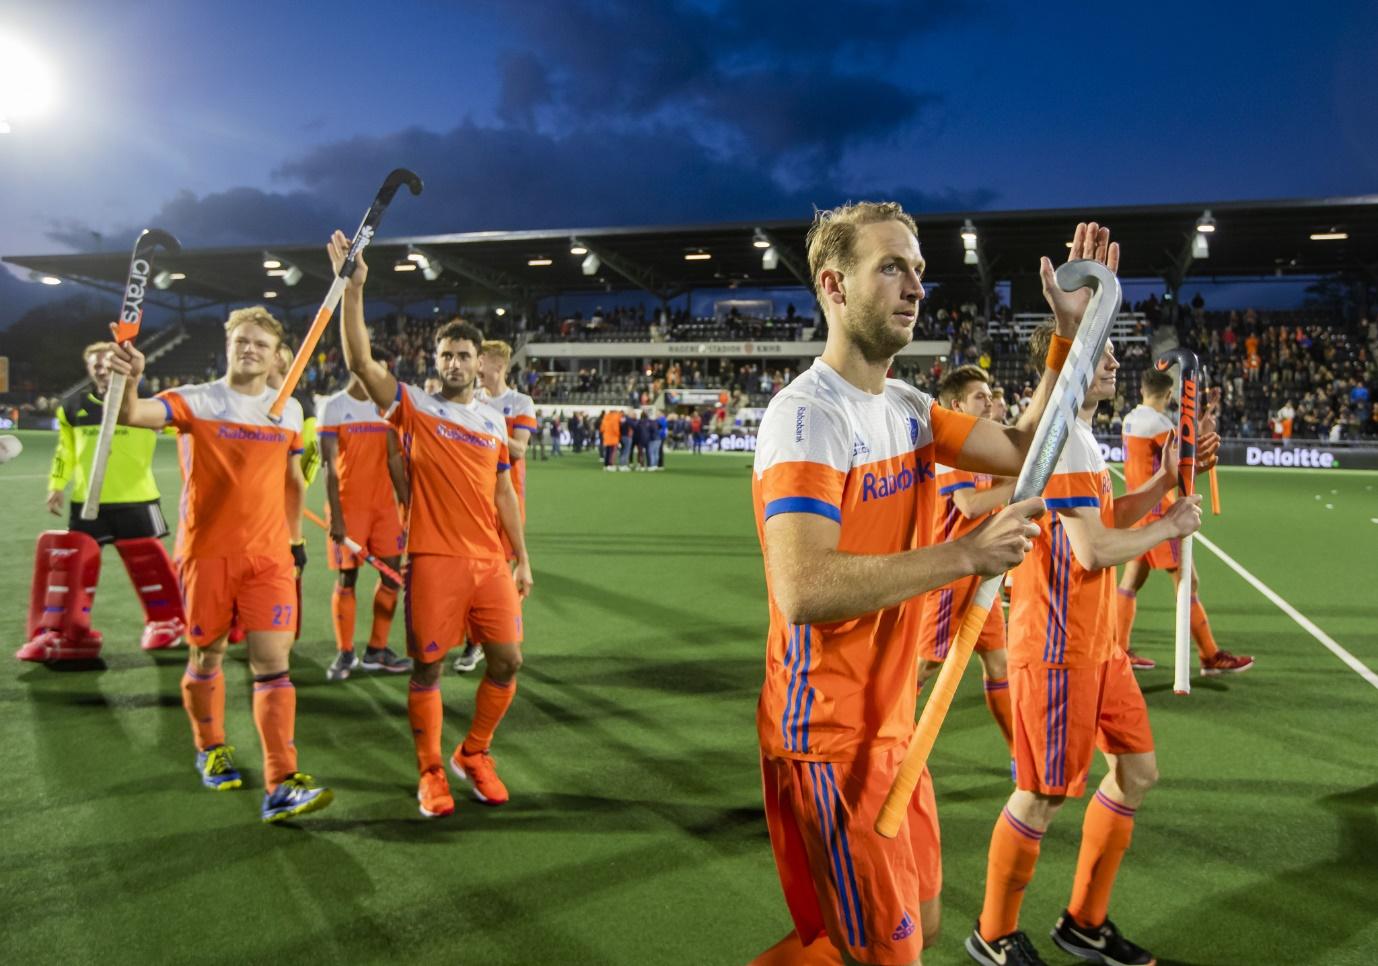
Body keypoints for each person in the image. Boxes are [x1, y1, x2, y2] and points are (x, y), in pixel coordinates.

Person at [750, 205, 1115, 966]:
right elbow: (803, 587)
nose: (916, 283)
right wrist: (966, 556)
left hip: (895, 729)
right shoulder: (804, 416)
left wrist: (1068, 342)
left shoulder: (911, 409)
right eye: (891, 266)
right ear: (833, 285)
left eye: (918, 268)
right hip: (829, 737)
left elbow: (1020, 449)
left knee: (914, 919)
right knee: (888, 953)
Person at [965, 324, 1216, 966]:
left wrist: (1161, 485)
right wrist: (1168, 523)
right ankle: (993, 934)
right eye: (1100, 354)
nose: (1112, 361)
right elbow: (1092, 548)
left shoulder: (1078, 437)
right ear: (1072, 367)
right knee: (1041, 794)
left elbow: (1103, 522)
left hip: (1098, 647)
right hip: (1056, 647)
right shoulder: (1062, 439)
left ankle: (1083, 923)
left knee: (1136, 772)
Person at [330, 230, 532, 818]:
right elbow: (359, 363)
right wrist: (354, 288)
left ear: (479, 364)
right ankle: (430, 771)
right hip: (434, 559)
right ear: (434, 360)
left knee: (508, 661)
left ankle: (475, 752)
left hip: (490, 560)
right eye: (445, 354)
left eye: (464, 355)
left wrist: (522, 556)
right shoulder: (414, 405)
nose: (454, 363)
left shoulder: (494, 421)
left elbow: (503, 492)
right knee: (427, 667)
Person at [106, 307, 333, 823]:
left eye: (260, 343)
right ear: (228, 346)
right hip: (207, 555)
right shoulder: (197, 399)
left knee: (273, 666)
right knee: (206, 656)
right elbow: (131, 415)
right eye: (240, 341)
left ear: (279, 357)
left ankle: (281, 782)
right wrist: (131, 379)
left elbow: (292, 480)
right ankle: (210, 746)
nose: (248, 349)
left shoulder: (289, 411)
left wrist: (295, 544)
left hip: (269, 559)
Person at [19, 341, 185, 662]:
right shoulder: (71, 407)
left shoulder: (145, 404)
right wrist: (56, 486)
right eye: (94, 363)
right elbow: (64, 451)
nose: (100, 368)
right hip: (87, 502)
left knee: (147, 567)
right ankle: (72, 632)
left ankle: (166, 623)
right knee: (76, 569)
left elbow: (183, 431)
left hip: (137, 499)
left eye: (106, 361)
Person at [1116, 372, 1253, 673]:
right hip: (1160, 515)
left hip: (1138, 510)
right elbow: (1185, 463)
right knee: (1187, 583)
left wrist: (1201, 421)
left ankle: (1120, 649)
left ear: (1142, 389)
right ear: (1168, 395)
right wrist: (1203, 433)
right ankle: (1210, 656)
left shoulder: (1131, 419)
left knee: (1131, 581)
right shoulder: (1160, 425)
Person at [916, 365, 1017, 755]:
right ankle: (885, 745)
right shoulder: (949, 450)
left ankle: (1017, 755)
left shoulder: (979, 448)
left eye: (990, 394)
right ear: (956, 404)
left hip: (982, 575)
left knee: (998, 663)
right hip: (949, 575)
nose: (989, 400)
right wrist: (1015, 492)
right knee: (924, 667)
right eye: (980, 395)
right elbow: (970, 505)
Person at [317, 352, 411, 681]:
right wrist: (337, 517)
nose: (377, 379)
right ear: (357, 370)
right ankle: (345, 653)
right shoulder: (333, 406)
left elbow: (395, 460)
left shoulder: (386, 409)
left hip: (384, 509)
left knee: (391, 577)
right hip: (349, 506)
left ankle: (376, 650)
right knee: (347, 579)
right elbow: (328, 467)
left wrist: (408, 505)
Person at [452, 339, 538, 675]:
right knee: (474, 575)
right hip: (474, 503)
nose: (473, 366)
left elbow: (519, 450)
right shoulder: (472, 401)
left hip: (507, 498)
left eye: (479, 360)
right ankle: (473, 643)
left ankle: (500, 638)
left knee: (502, 574)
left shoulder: (520, 402)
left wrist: (490, 429)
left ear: (497, 366)